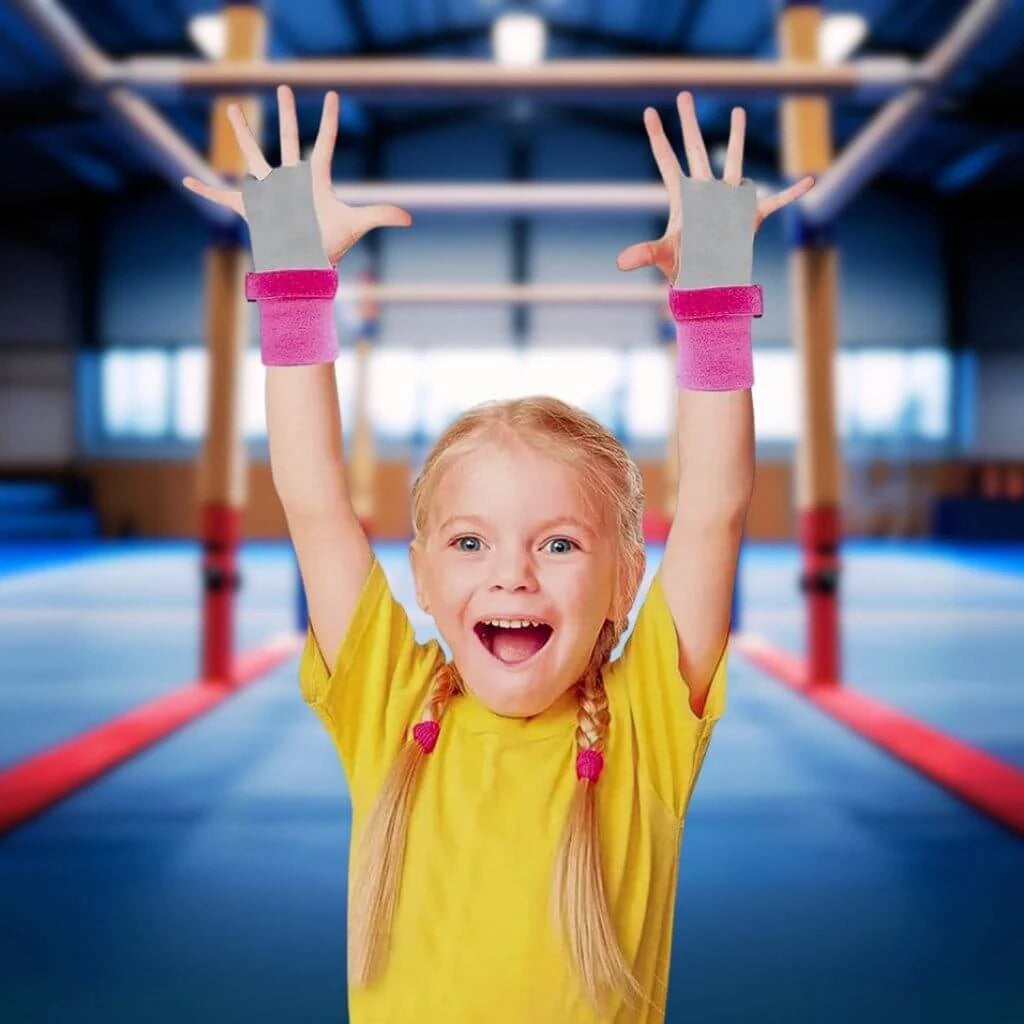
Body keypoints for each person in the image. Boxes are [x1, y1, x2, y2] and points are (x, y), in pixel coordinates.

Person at [183, 85, 812, 1023]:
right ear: (425, 577)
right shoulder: (388, 705)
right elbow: (314, 500)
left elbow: (716, 510)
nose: (512, 573)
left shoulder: (646, 723)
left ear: (624, 580)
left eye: (559, 543)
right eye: (471, 542)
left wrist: (717, 293)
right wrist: (292, 277)